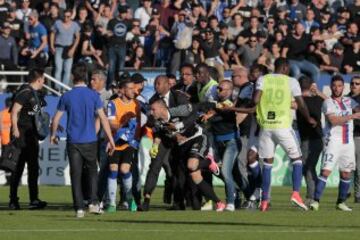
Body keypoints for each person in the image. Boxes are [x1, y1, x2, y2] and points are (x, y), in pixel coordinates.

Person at [50, 63, 115, 218]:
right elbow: (104, 119)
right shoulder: (93, 95)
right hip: (90, 140)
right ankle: (93, 203)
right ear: (86, 78)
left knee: (76, 174)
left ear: (73, 77)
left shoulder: (66, 96)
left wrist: (53, 134)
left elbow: (56, 118)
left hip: (73, 141)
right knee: (93, 172)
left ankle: (79, 208)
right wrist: (111, 140)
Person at [252, 58, 317, 211]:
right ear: (286, 67)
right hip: (283, 126)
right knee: (297, 160)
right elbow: (300, 103)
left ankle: (265, 200)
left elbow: (255, 100)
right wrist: (308, 118)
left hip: (266, 127)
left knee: (267, 164)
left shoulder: (263, 79)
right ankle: (295, 193)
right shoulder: (291, 81)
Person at [149, 99, 226, 211]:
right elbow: (164, 133)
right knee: (195, 176)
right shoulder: (158, 122)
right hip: (183, 145)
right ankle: (219, 202)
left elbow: (195, 111)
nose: (151, 112)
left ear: (162, 108)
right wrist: (157, 145)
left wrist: (180, 125)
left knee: (191, 165)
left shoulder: (178, 110)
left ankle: (209, 161)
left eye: (153, 109)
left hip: (197, 138)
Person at [310, 75, 360, 211]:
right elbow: (333, 121)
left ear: (344, 87)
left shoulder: (350, 101)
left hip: (348, 142)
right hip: (333, 141)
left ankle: (341, 202)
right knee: (325, 171)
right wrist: (352, 116)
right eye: (334, 86)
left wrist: (356, 112)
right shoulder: (328, 103)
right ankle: (315, 201)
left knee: (346, 173)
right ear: (331, 87)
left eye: (339, 86)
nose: (337, 88)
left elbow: (358, 111)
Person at [141, 75, 189, 211]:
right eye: (155, 83)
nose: (156, 86)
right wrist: (155, 143)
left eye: (159, 83)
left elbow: (188, 115)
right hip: (164, 137)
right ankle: (146, 199)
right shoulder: (153, 100)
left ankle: (178, 202)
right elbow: (153, 124)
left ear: (168, 84)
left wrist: (179, 133)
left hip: (181, 137)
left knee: (177, 169)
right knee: (154, 166)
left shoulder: (178, 97)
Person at [9, 68, 47, 210]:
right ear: (38, 79)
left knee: (33, 168)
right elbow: (14, 110)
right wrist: (15, 129)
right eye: (43, 79)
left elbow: (38, 115)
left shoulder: (35, 95)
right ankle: (13, 200)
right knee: (17, 168)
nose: (44, 81)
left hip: (32, 136)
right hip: (22, 135)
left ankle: (34, 200)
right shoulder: (25, 92)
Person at [106, 78, 141, 213]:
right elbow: (110, 124)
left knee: (125, 169)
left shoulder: (137, 104)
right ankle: (112, 203)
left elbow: (138, 124)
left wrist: (135, 139)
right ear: (123, 90)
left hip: (130, 143)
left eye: (135, 88)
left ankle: (129, 198)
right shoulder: (113, 104)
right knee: (113, 169)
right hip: (115, 142)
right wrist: (122, 123)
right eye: (131, 88)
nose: (134, 91)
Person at [296, 76, 326, 206]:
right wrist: (317, 91)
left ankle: (312, 196)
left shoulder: (316, 99)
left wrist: (317, 91)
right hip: (307, 139)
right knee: (308, 167)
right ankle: (313, 195)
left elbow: (332, 102)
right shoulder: (299, 99)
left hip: (315, 138)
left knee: (308, 167)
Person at [50, 9, 81, 87]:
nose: (66, 18)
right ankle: (57, 88)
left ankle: (64, 88)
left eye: (68, 16)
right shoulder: (57, 23)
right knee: (58, 69)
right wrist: (52, 46)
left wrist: (73, 49)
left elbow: (77, 37)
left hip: (69, 48)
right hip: (59, 47)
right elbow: (52, 34)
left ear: (71, 17)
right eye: (65, 16)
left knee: (67, 70)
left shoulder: (74, 25)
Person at [349, 76, 360, 203]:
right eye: (352, 83)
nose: (354, 85)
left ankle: (358, 194)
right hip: (345, 135)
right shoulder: (346, 98)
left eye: (357, 83)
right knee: (346, 166)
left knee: (358, 168)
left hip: (358, 135)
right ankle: (345, 192)